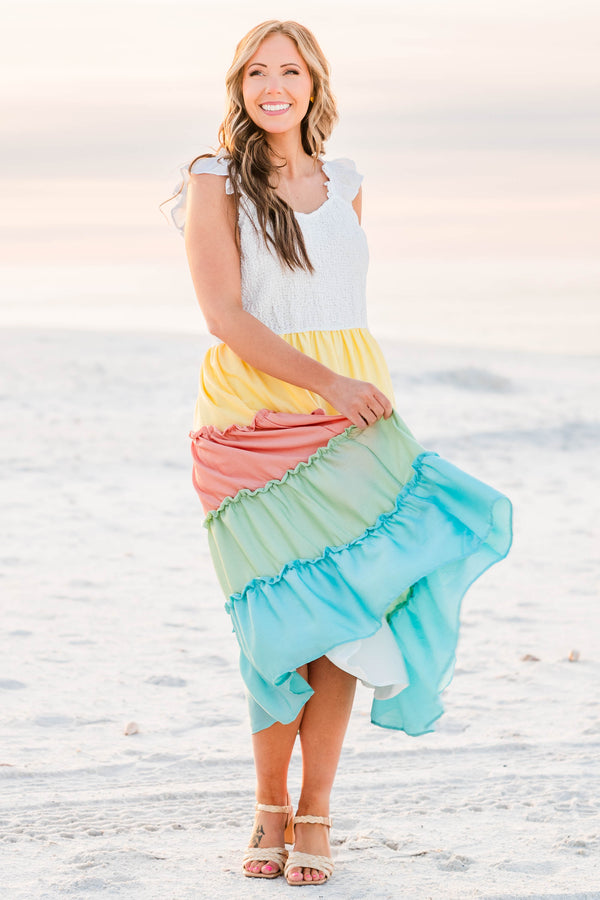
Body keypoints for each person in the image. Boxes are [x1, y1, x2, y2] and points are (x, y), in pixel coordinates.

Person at [163, 19, 512, 887]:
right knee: (277, 619)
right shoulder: (214, 179)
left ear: (315, 84)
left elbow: (337, 303)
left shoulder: (346, 181)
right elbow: (225, 315)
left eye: (290, 71)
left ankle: (315, 810)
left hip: (351, 412)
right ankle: (268, 807)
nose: (273, 86)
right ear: (238, 87)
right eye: (256, 72)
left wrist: (347, 389)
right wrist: (328, 383)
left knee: (348, 617)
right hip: (255, 418)